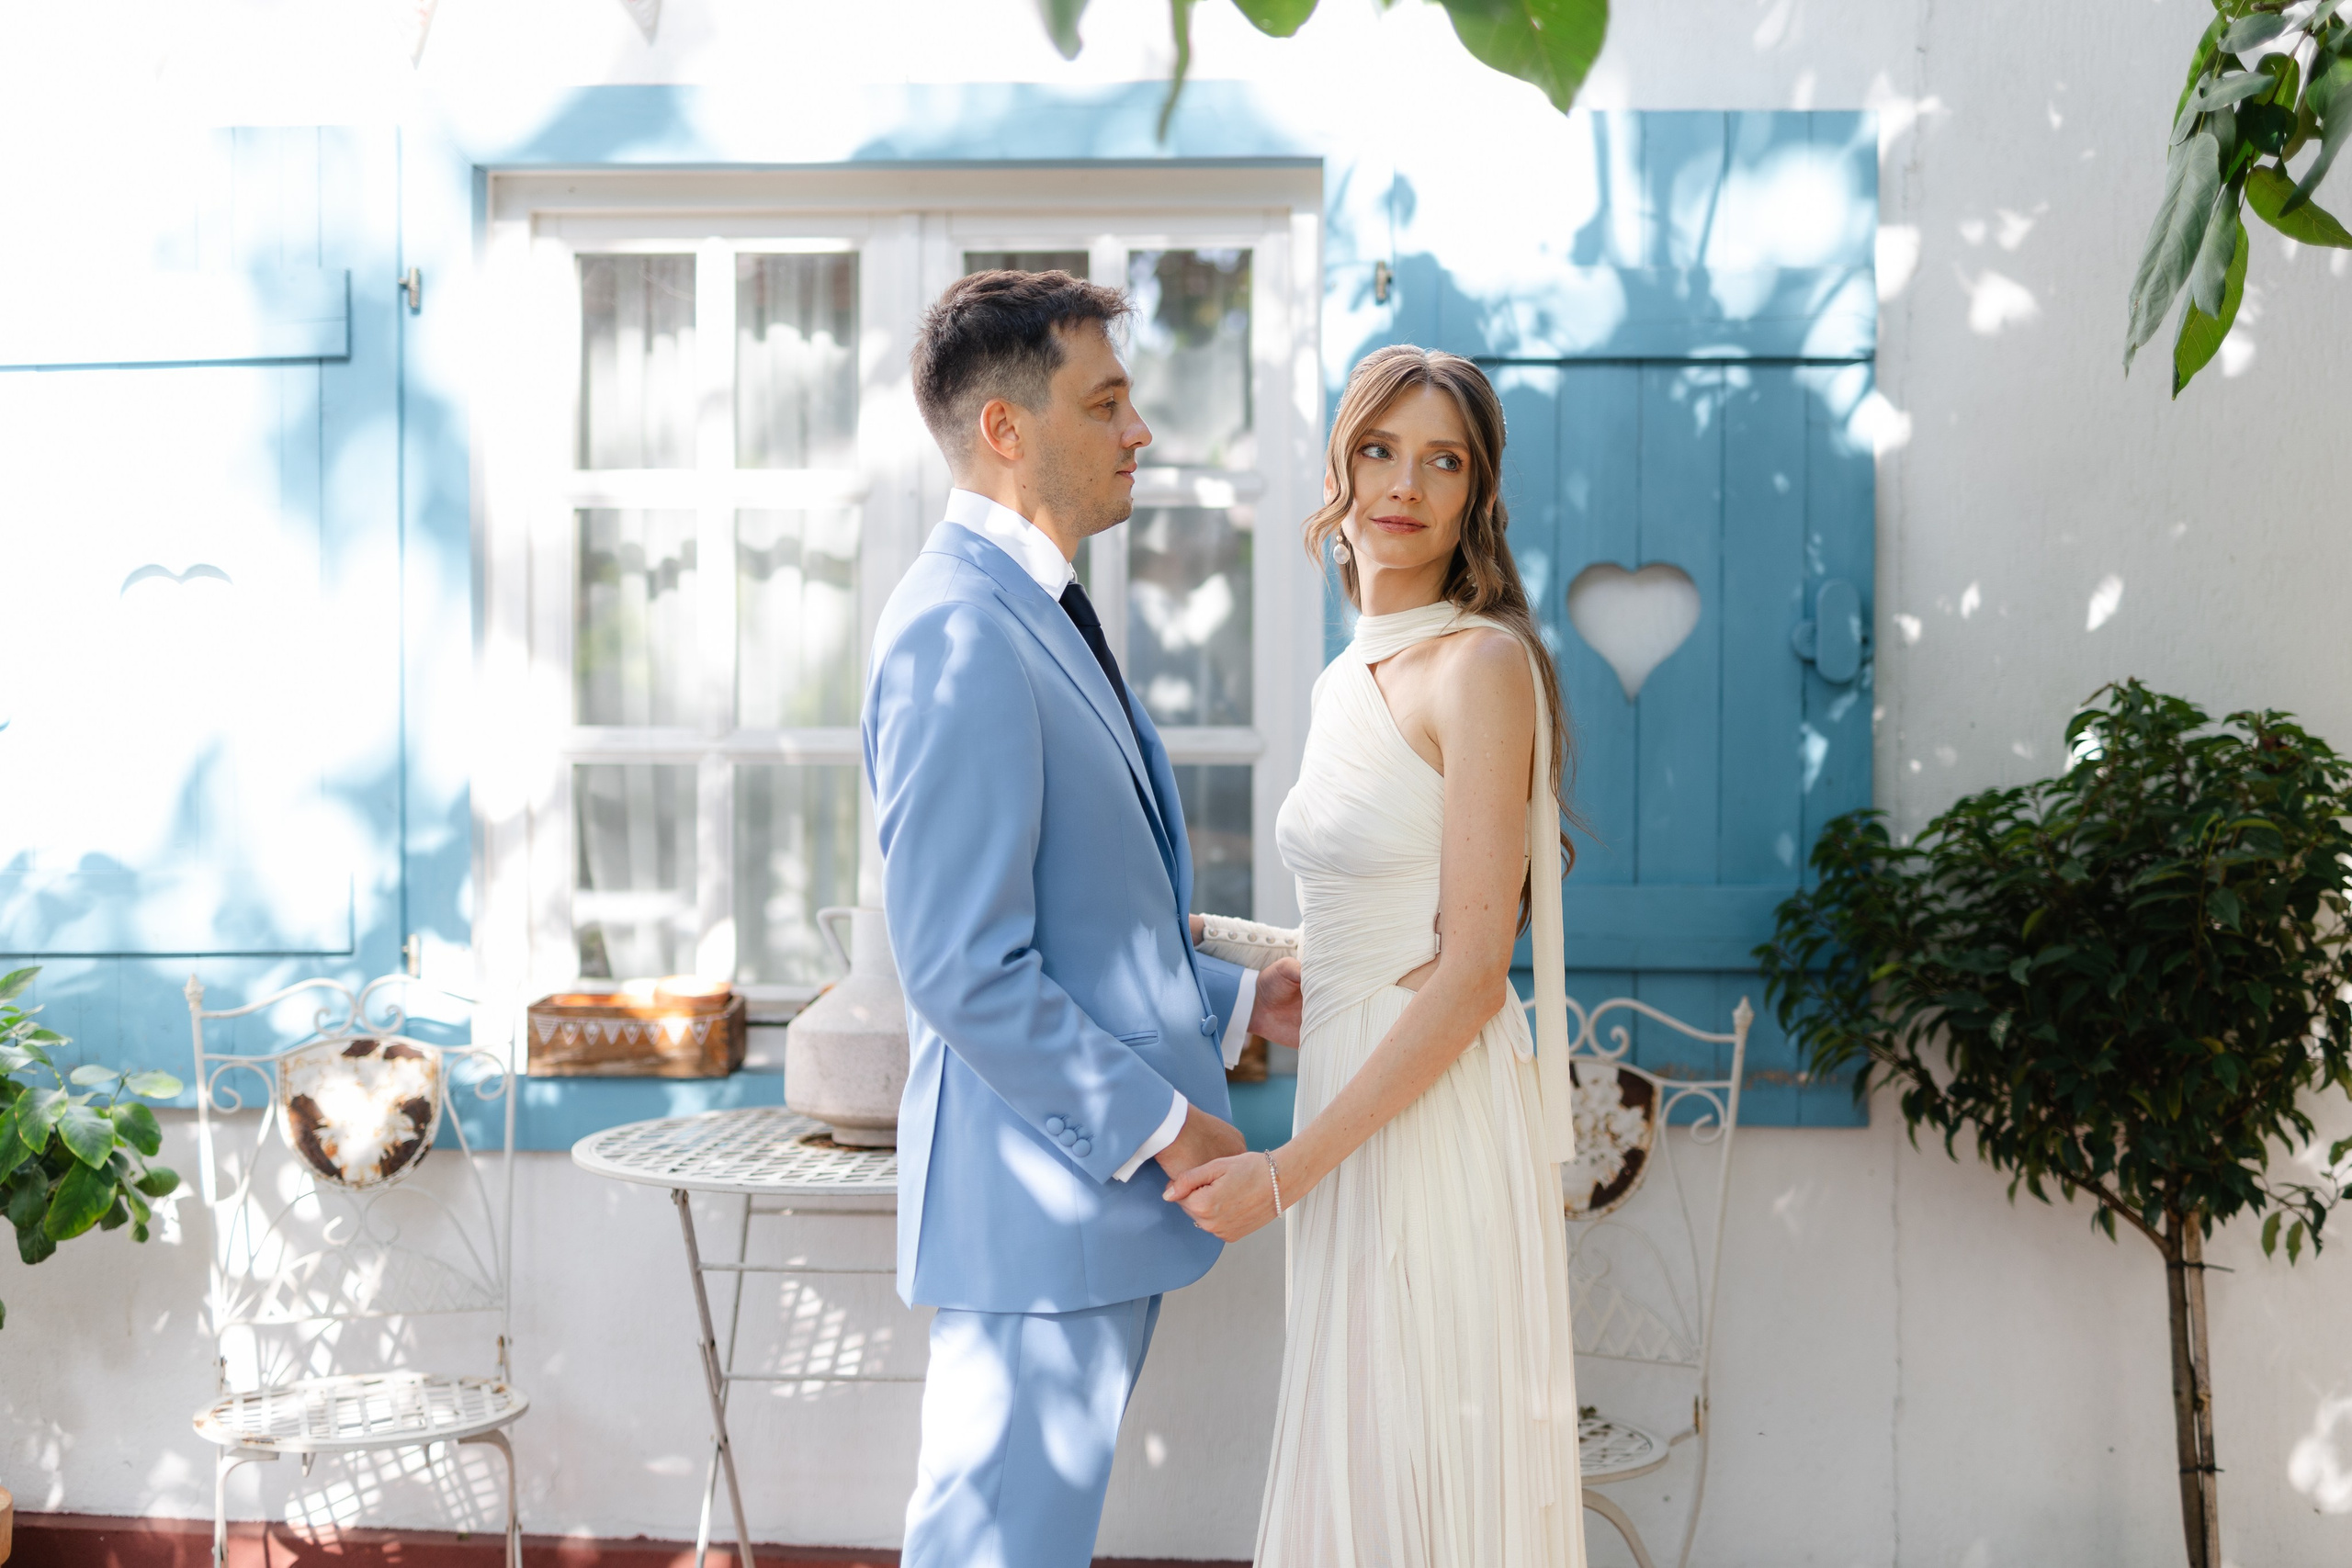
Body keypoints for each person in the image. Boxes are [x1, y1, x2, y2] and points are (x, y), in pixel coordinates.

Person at [863, 268, 1304, 1568]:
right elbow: (960, 966)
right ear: (1007, 431)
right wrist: (1166, 1128)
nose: (1140, 431)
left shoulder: (1034, 608)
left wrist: (1232, 1003)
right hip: (1034, 1210)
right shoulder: (957, 630)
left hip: (1068, 1218)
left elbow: (1083, 906)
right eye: (1106, 400)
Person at [1168, 345, 1589, 1567]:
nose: (1405, 484)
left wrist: (1281, 1175)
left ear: (1476, 496)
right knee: (1361, 1442)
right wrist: (1219, 946)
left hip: (1433, 1110)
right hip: (1353, 1075)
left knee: (1423, 1455)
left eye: (1441, 459)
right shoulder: (1344, 675)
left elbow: (1469, 971)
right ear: (1342, 468)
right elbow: (1381, 916)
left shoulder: (1483, 664)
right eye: (1379, 450)